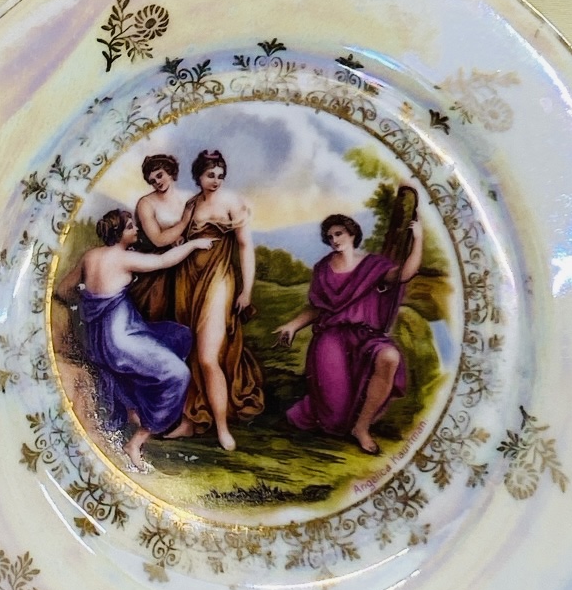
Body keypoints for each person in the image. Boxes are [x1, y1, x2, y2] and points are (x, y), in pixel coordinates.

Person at [54, 209, 214, 462]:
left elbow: (63, 290)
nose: (136, 229)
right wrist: (194, 244)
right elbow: (164, 261)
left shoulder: (90, 256)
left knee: (179, 336)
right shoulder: (123, 258)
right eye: (130, 226)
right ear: (118, 233)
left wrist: (88, 301)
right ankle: (136, 442)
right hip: (122, 341)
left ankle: (137, 410)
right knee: (178, 375)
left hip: (99, 340)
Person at [277, 189, 424, 453]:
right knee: (334, 417)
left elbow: (405, 274)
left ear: (352, 233)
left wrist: (418, 239)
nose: (334, 240)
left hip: (366, 335)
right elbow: (317, 308)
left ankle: (362, 428)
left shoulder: (373, 265)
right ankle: (323, 411)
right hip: (331, 337)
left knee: (390, 357)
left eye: (339, 234)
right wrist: (293, 325)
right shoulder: (323, 268)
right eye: (330, 236)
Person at [151, 148, 262, 451]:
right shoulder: (192, 204)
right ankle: (191, 420)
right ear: (198, 176)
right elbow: (177, 237)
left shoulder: (233, 203)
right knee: (190, 353)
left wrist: (247, 290)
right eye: (210, 175)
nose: (216, 180)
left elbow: (245, 247)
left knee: (207, 357)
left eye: (220, 176)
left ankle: (222, 428)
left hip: (219, 279)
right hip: (188, 280)